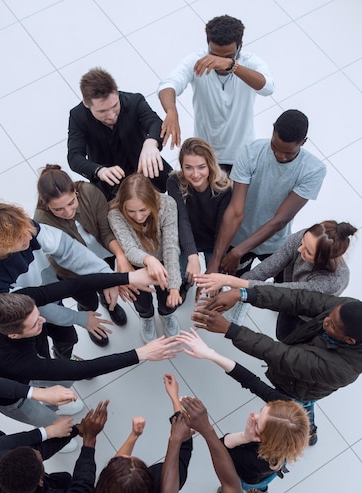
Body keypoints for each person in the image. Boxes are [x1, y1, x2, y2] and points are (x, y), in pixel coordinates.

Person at [0, 270, 181, 427]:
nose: (43, 320)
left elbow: (74, 285)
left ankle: (54, 404)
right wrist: (142, 353)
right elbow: (84, 369)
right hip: (11, 397)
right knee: (47, 421)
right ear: (14, 334)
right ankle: (55, 426)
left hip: (34, 361)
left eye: (37, 314)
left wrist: (128, 277)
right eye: (34, 324)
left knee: (65, 378)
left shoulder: (21, 299)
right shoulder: (15, 361)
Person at [192, 285, 362, 445]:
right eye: (330, 316)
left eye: (332, 325)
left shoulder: (340, 369)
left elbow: (282, 356)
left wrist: (230, 329)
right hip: (304, 368)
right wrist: (243, 293)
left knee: (300, 406)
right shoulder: (349, 310)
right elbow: (299, 299)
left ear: (350, 340)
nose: (325, 320)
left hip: (299, 387)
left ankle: (307, 431)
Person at [0, 201, 118, 352]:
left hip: (51, 285)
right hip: (28, 316)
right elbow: (34, 309)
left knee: (85, 300)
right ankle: (65, 357)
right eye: (22, 239)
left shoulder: (21, 227)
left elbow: (67, 249)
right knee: (67, 338)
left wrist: (108, 276)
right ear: (2, 247)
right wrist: (80, 319)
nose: (30, 236)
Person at [178, 328, 309, 493]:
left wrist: (244, 437)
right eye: (264, 409)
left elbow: (221, 451)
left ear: (265, 439)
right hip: (269, 472)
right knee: (264, 482)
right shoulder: (287, 414)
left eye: (258, 424)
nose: (254, 416)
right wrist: (211, 354)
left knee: (232, 488)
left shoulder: (257, 460)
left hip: (247, 476)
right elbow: (252, 382)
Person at [90, 374, 193, 493]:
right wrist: (175, 399)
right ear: (148, 479)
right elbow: (183, 447)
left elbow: (115, 464)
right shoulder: (162, 482)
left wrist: (134, 436)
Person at [206, 109, 327, 276]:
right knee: (237, 277)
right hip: (238, 234)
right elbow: (235, 210)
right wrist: (215, 261)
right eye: (274, 147)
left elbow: (281, 219)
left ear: (303, 142)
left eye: (288, 153)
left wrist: (238, 252)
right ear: (272, 131)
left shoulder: (313, 170)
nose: (279, 155)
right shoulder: (251, 152)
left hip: (275, 241)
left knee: (279, 285)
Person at [195, 220, 357, 338]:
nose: (299, 249)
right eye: (302, 242)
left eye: (307, 252)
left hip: (304, 312)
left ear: (324, 258)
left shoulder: (333, 281)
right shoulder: (306, 237)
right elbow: (269, 267)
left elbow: (285, 293)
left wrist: (230, 282)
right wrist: (237, 291)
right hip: (287, 285)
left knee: (284, 335)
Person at [158, 14, 274, 169]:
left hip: (242, 154)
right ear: (208, 46)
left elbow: (268, 88)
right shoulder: (196, 61)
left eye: (228, 56)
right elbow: (167, 84)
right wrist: (171, 111)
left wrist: (232, 66)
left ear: (241, 46)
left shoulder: (250, 63)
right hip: (204, 153)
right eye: (214, 55)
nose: (219, 63)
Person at [34, 164, 134, 344]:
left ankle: (108, 303)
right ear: (47, 205)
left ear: (75, 192)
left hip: (103, 254)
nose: (68, 212)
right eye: (58, 209)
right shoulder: (41, 222)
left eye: (71, 202)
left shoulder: (89, 192)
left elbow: (106, 231)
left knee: (107, 290)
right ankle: (90, 311)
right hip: (72, 272)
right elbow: (63, 260)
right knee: (88, 301)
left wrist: (120, 256)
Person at [67, 67, 172, 200]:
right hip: (111, 187)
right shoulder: (78, 116)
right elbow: (74, 157)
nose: (111, 115)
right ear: (87, 104)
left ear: (116, 92)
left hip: (149, 173)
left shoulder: (134, 101)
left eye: (115, 106)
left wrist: (151, 142)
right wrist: (99, 170)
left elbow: (155, 123)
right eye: (102, 111)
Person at [108, 174, 181, 342]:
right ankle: (146, 317)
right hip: (136, 264)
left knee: (167, 294)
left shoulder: (167, 204)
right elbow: (129, 249)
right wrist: (148, 260)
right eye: (131, 211)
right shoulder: (115, 213)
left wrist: (174, 286)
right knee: (140, 297)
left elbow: (171, 246)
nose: (139, 217)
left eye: (143, 210)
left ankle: (166, 314)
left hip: (163, 259)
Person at [166, 138, 233, 302]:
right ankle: (185, 284)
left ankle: (214, 287)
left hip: (214, 240)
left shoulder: (224, 187)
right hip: (187, 237)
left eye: (201, 167)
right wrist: (192, 254)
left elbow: (222, 228)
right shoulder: (174, 182)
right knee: (184, 270)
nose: (195, 174)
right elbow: (181, 219)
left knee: (214, 276)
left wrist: (214, 267)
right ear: (182, 166)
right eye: (188, 167)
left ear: (210, 164)